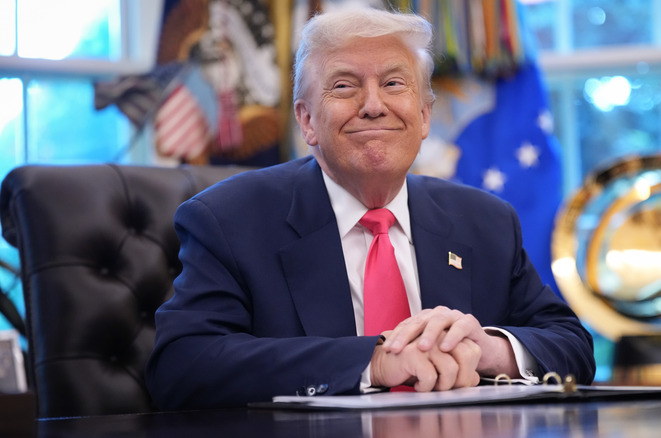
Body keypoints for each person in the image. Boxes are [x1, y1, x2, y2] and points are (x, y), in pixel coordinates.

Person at [146, 6, 595, 410]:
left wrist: (490, 348)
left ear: (423, 117)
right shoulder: (228, 219)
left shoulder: (486, 221)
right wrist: (373, 361)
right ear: (306, 120)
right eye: (344, 86)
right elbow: (182, 365)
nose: (374, 106)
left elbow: (572, 345)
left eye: (394, 84)